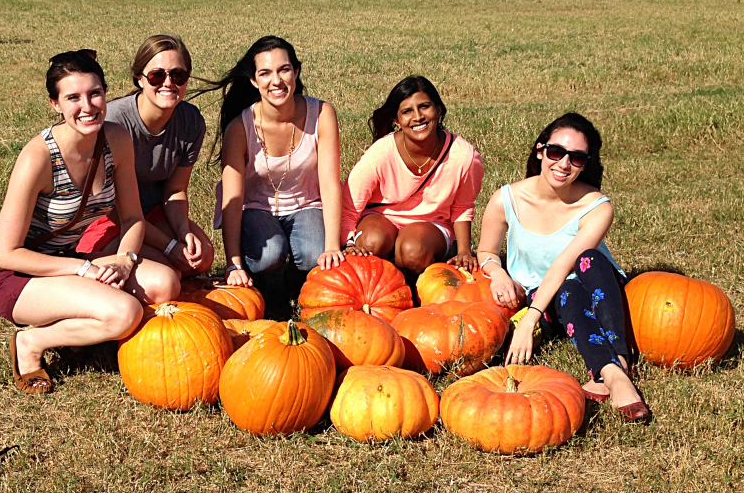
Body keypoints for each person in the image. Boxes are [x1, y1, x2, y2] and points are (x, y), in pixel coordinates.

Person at [0, 50, 180, 394]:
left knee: (165, 283)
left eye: (94, 93)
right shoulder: (38, 157)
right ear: (55, 104)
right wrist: (83, 269)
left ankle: (76, 329)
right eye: (73, 98)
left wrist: (125, 260)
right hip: (18, 275)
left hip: (71, 258)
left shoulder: (116, 139)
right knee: (124, 313)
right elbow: (7, 254)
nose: (87, 106)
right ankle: (31, 342)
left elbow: (132, 217)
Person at [476, 112, 650, 422]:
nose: (564, 164)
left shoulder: (596, 206)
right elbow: (487, 251)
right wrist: (498, 273)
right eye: (556, 152)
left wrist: (529, 321)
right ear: (540, 151)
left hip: (599, 291)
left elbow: (563, 264)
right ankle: (615, 370)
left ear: (585, 164)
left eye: (576, 157)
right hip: (546, 299)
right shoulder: (506, 199)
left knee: (587, 260)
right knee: (565, 290)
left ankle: (615, 369)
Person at [208, 36, 344, 313]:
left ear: (296, 71)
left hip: (307, 204)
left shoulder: (322, 114)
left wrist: (332, 246)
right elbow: (232, 200)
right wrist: (233, 263)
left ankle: (296, 284)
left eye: (284, 70)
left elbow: (330, 183)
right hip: (255, 208)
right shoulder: (240, 128)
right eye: (265, 73)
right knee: (268, 255)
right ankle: (270, 291)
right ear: (253, 80)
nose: (276, 81)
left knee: (314, 254)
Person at [77, 35, 214, 277]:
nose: (168, 83)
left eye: (177, 75)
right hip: (110, 218)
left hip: (152, 213)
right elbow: (112, 208)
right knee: (168, 273)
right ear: (140, 78)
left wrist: (183, 232)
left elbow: (175, 190)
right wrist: (169, 246)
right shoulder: (114, 122)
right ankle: (96, 259)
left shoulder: (191, 121)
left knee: (202, 259)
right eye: (157, 76)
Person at [341, 76, 483, 277]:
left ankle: (414, 282)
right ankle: (382, 282)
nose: (418, 117)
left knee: (412, 251)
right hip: (380, 218)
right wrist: (348, 243)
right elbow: (350, 205)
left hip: (432, 224)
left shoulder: (464, 157)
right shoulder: (381, 152)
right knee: (371, 242)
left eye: (424, 106)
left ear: (438, 110)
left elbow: (463, 207)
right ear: (397, 121)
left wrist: (464, 252)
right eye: (407, 111)